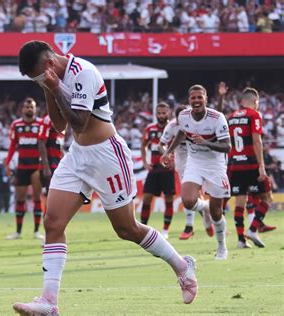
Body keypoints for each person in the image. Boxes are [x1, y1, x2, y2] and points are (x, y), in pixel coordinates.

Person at [13, 41, 197, 315]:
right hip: (78, 155)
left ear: (49, 63)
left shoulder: (83, 71)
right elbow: (60, 126)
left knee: (126, 229)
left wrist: (52, 88)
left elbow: (80, 122)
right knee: (53, 222)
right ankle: (49, 302)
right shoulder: (52, 79)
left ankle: (182, 266)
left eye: (38, 76)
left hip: (107, 156)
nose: (40, 81)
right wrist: (49, 90)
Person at [162, 84, 231, 260]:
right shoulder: (184, 116)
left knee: (217, 213)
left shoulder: (217, 117)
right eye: (193, 98)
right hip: (194, 162)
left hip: (215, 165)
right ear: (189, 100)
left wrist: (206, 143)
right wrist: (168, 151)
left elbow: (227, 146)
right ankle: (204, 207)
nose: (196, 100)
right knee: (188, 201)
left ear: (206, 99)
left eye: (200, 97)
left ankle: (221, 246)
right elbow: (181, 134)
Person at [227, 87, 274, 248]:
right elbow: (256, 141)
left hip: (235, 165)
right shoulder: (254, 115)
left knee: (240, 202)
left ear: (241, 102)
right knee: (268, 198)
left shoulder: (231, 118)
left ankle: (241, 240)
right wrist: (261, 166)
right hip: (251, 164)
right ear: (255, 102)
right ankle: (253, 229)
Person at [160, 105, 214, 240]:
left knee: (202, 195)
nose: (180, 123)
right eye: (178, 120)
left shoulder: (199, 123)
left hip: (201, 160)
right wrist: (167, 155)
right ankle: (189, 227)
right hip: (183, 164)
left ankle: (211, 220)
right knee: (189, 195)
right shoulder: (172, 126)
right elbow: (161, 144)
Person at [4, 98, 44, 241]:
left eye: (31, 107)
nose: (29, 109)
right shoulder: (16, 125)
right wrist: (7, 163)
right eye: (27, 107)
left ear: (35, 109)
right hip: (21, 166)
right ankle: (18, 232)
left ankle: (36, 231)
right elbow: (13, 145)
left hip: (36, 166)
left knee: (36, 198)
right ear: (22, 109)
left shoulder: (40, 124)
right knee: (19, 199)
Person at [140, 102, 176, 239]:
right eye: (159, 113)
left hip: (167, 169)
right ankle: (143, 228)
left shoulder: (173, 128)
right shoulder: (150, 128)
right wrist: (144, 162)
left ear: (169, 113)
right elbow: (143, 145)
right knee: (147, 198)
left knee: (169, 199)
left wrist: (175, 161)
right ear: (156, 114)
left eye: (164, 113)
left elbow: (180, 145)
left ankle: (165, 231)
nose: (161, 115)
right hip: (154, 169)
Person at [38, 114, 64, 194]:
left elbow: (60, 143)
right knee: (51, 194)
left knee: (58, 195)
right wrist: (46, 167)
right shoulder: (47, 119)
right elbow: (41, 143)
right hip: (50, 163)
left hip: (58, 162)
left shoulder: (64, 118)